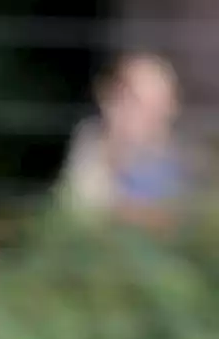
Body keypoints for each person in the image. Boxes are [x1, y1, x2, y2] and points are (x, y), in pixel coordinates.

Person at [56, 52, 189, 230]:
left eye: (161, 103)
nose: (155, 116)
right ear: (110, 101)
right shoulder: (93, 148)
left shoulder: (184, 158)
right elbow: (84, 214)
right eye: (140, 102)